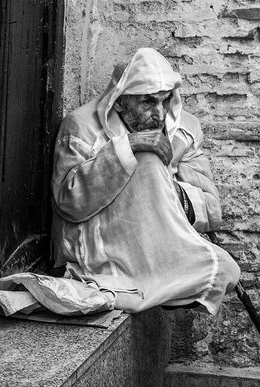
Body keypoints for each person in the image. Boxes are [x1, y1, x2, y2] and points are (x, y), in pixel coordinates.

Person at [51, 47, 240, 314]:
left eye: (166, 100)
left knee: (226, 271)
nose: (160, 114)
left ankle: (147, 287)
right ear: (120, 102)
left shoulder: (184, 130)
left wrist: (163, 188)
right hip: (103, 247)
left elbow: (211, 209)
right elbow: (69, 204)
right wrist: (128, 147)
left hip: (160, 242)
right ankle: (144, 287)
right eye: (148, 103)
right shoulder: (81, 127)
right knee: (147, 158)